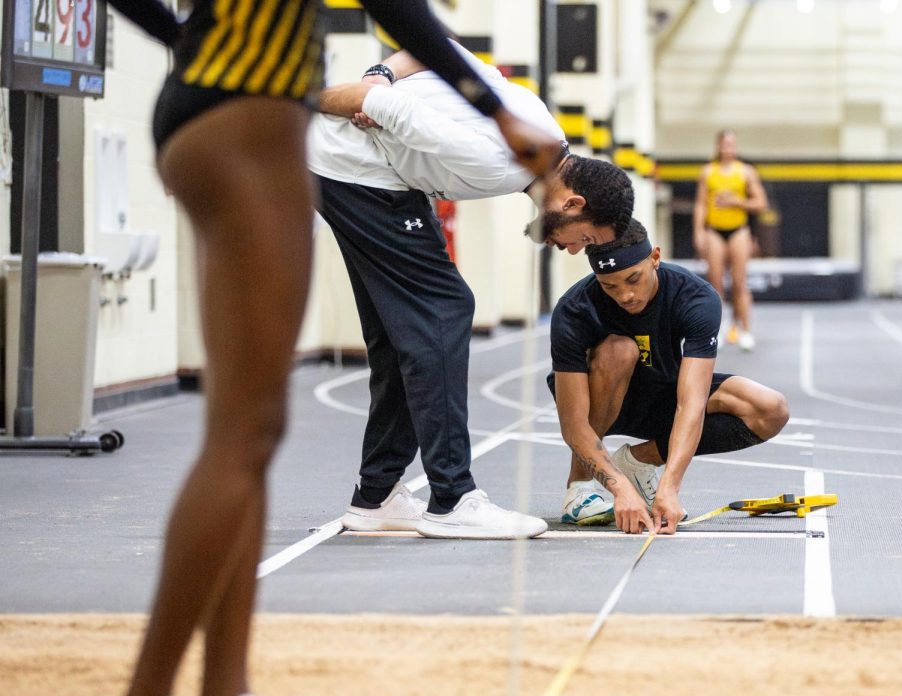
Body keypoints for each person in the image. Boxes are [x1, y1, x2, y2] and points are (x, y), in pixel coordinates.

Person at [97, 0, 565, 696]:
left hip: (226, 109)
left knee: (253, 431)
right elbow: (400, 10)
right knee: (242, 434)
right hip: (247, 119)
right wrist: (490, 106)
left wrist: (181, 39)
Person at [308, 43, 635, 537]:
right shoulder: (496, 161)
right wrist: (303, 99)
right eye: (584, 239)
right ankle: (452, 497)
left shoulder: (542, 125)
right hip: (357, 172)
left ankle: (377, 495)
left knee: (403, 332)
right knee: (445, 308)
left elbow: (436, 47)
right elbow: (381, 104)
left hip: (367, 174)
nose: (572, 251)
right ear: (572, 202)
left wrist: (382, 72)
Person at [548, 219, 789, 532]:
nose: (625, 295)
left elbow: (691, 402)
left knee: (770, 409)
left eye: (633, 279)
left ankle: (636, 462)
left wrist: (669, 487)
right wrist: (620, 490)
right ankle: (579, 487)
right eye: (610, 286)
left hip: (665, 394)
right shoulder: (574, 310)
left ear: (655, 258)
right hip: (605, 398)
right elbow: (573, 423)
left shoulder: (696, 298)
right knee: (619, 350)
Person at [692, 129, 767, 351]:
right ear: (718, 146)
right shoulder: (708, 172)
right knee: (715, 283)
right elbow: (700, 204)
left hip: (738, 231)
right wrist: (698, 231)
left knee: (739, 281)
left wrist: (737, 202)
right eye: (725, 144)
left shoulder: (746, 172)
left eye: (732, 144)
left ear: (736, 147)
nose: (728, 148)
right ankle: (722, 327)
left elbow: (760, 203)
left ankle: (744, 329)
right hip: (715, 230)